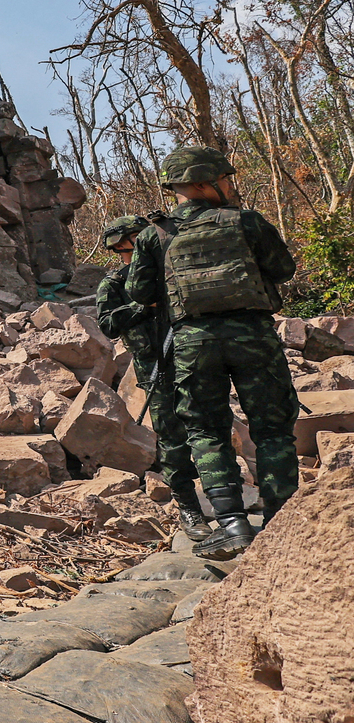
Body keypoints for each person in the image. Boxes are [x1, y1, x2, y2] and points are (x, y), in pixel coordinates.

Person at [126, 146, 299, 561]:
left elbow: (138, 292)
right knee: (272, 429)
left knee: (206, 432)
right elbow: (283, 269)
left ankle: (233, 526)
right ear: (204, 182)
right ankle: (282, 522)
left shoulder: (153, 235)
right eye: (225, 179)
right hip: (253, 335)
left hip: (193, 342)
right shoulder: (246, 221)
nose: (229, 185)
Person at [94, 214, 210, 540]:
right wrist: (144, 307)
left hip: (193, 359)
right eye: (136, 239)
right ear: (121, 244)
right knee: (171, 437)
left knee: (209, 426)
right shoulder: (114, 284)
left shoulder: (170, 273)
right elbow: (108, 324)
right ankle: (189, 507)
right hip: (154, 366)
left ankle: (225, 499)